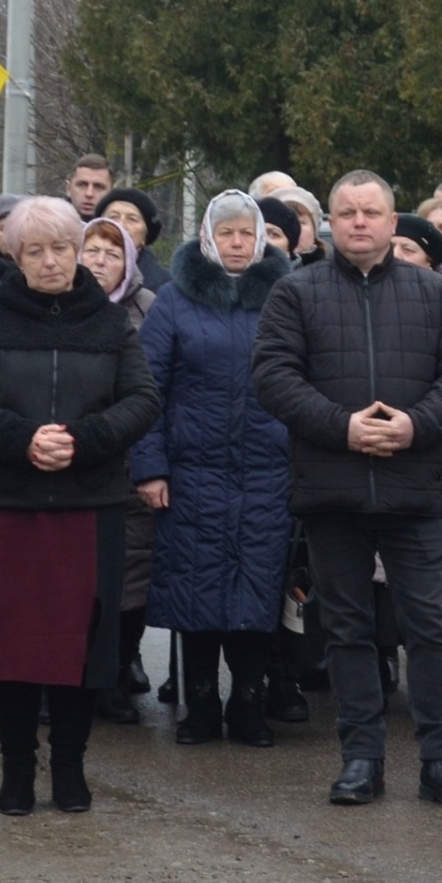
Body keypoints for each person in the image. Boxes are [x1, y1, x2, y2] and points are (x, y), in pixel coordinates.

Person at [252, 169, 442, 810]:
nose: (359, 222)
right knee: (349, 631)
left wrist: (415, 426)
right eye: (347, 212)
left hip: (414, 489)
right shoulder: (295, 293)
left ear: (392, 221)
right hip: (332, 489)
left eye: (372, 212)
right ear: (329, 221)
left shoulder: (435, 295)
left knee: (431, 629)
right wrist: (343, 428)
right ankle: (361, 760)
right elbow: (273, 376)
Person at [0, 197, 159, 815]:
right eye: (34, 251)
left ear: (78, 250)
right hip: (7, 501)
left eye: (60, 248)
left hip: (89, 504)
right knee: (10, 648)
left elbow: (143, 400)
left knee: (82, 648)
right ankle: (16, 772)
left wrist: (82, 442)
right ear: (15, 256)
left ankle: (70, 767)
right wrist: (20, 439)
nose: (49, 262)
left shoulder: (110, 322)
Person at [131, 191, 295, 747]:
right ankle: (199, 704)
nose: (236, 242)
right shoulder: (175, 302)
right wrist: (150, 468)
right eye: (225, 232)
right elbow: (146, 390)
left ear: (260, 239)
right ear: (207, 237)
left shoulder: (285, 298)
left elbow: (304, 382)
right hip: (192, 473)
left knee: (256, 590)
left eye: (246, 233)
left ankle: (248, 704)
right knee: (195, 592)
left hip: (267, 473)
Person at [79, 215, 159, 724]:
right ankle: (61, 678)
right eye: (91, 251)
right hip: (66, 464)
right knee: (70, 581)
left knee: (128, 581)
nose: (100, 261)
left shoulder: (151, 312)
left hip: (130, 462)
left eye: (112, 253)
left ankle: (111, 677)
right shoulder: (59, 308)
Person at [96, 186, 171, 294]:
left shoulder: (165, 287)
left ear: (145, 236)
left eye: (132, 219)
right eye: (113, 217)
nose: (121, 225)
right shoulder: (76, 276)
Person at [64, 154, 113, 220]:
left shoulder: (123, 228)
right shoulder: (49, 227)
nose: (89, 194)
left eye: (98, 187)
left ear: (111, 193)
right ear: (68, 189)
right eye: (82, 185)